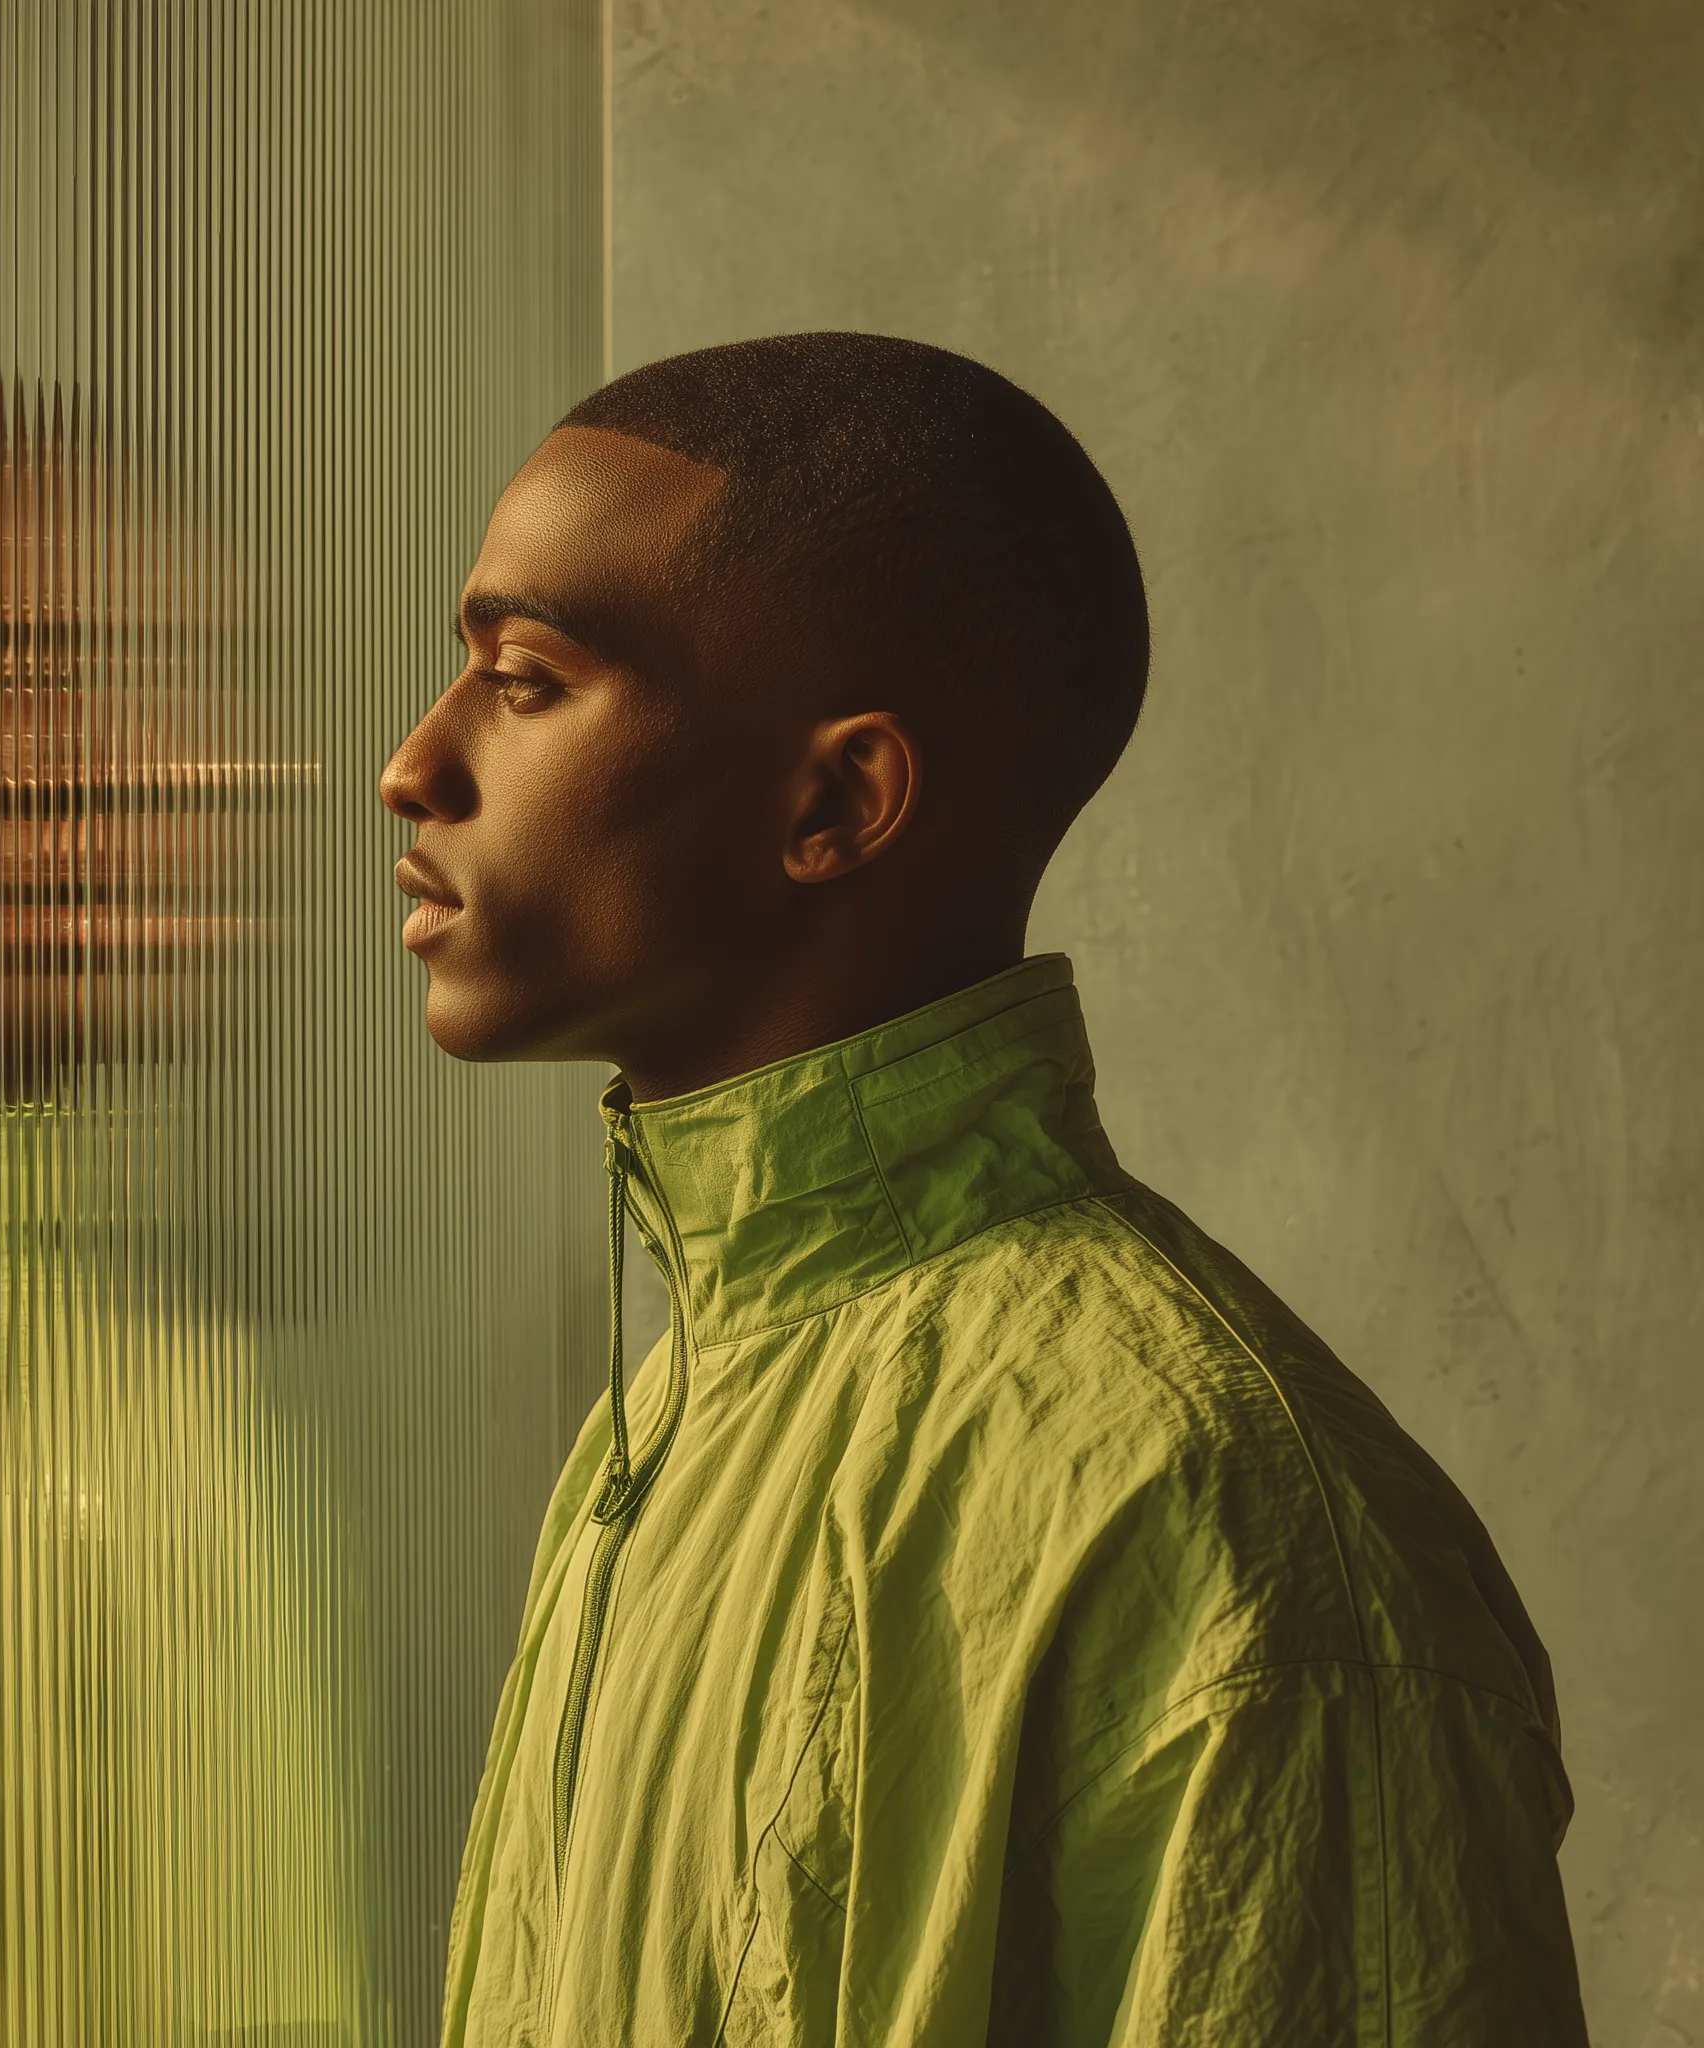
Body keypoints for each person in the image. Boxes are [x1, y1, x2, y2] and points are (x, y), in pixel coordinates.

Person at [380, 332, 1589, 2045]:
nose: (413, 768)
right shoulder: (669, 1424)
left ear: (838, 799)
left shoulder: (1225, 1523)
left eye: (527, 679)